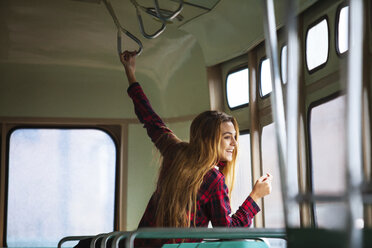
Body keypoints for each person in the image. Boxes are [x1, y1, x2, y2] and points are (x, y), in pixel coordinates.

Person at [120, 50, 273, 247]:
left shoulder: (175, 151)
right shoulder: (213, 179)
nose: (234, 145)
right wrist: (255, 196)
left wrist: (131, 74)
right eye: (227, 138)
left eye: (235, 137)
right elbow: (226, 233)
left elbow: (149, 118)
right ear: (209, 140)